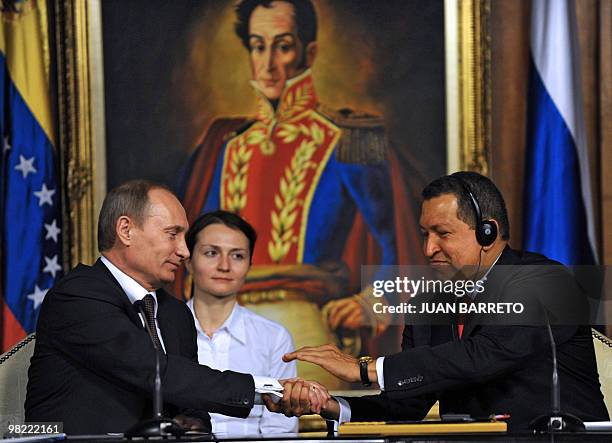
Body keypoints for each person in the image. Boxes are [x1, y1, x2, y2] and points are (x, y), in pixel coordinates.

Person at [177, 0, 424, 388]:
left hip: (302, 322)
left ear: (308, 53)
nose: (269, 63)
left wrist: (371, 303)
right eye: (259, 46)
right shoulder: (223, 145)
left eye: (283, 45)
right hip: (218, 320)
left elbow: (404, 244)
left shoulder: (351, 140)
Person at [274, 171, 609, 431]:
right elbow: (404, 407)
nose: (428, 249)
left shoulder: (547, 282)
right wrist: (330, 405)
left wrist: (365, 368)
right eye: (425, 234)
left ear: (487, 232)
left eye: (442, 233)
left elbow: (480, 356)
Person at [25, 180, 326, 435]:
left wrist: (193, 426)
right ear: (126, 230)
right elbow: (153, 371)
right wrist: (264, 389)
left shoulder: (173, 312)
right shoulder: (78, 296)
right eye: (173, 234)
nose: (183, 251)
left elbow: (192, 405)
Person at [184, 210, 298, 435]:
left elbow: (279, 429)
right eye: (211, 253)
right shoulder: (158, 329)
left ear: (249, 266)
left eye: (237, 256)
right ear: (188, 261)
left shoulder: (273, 337)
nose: (224, 266)